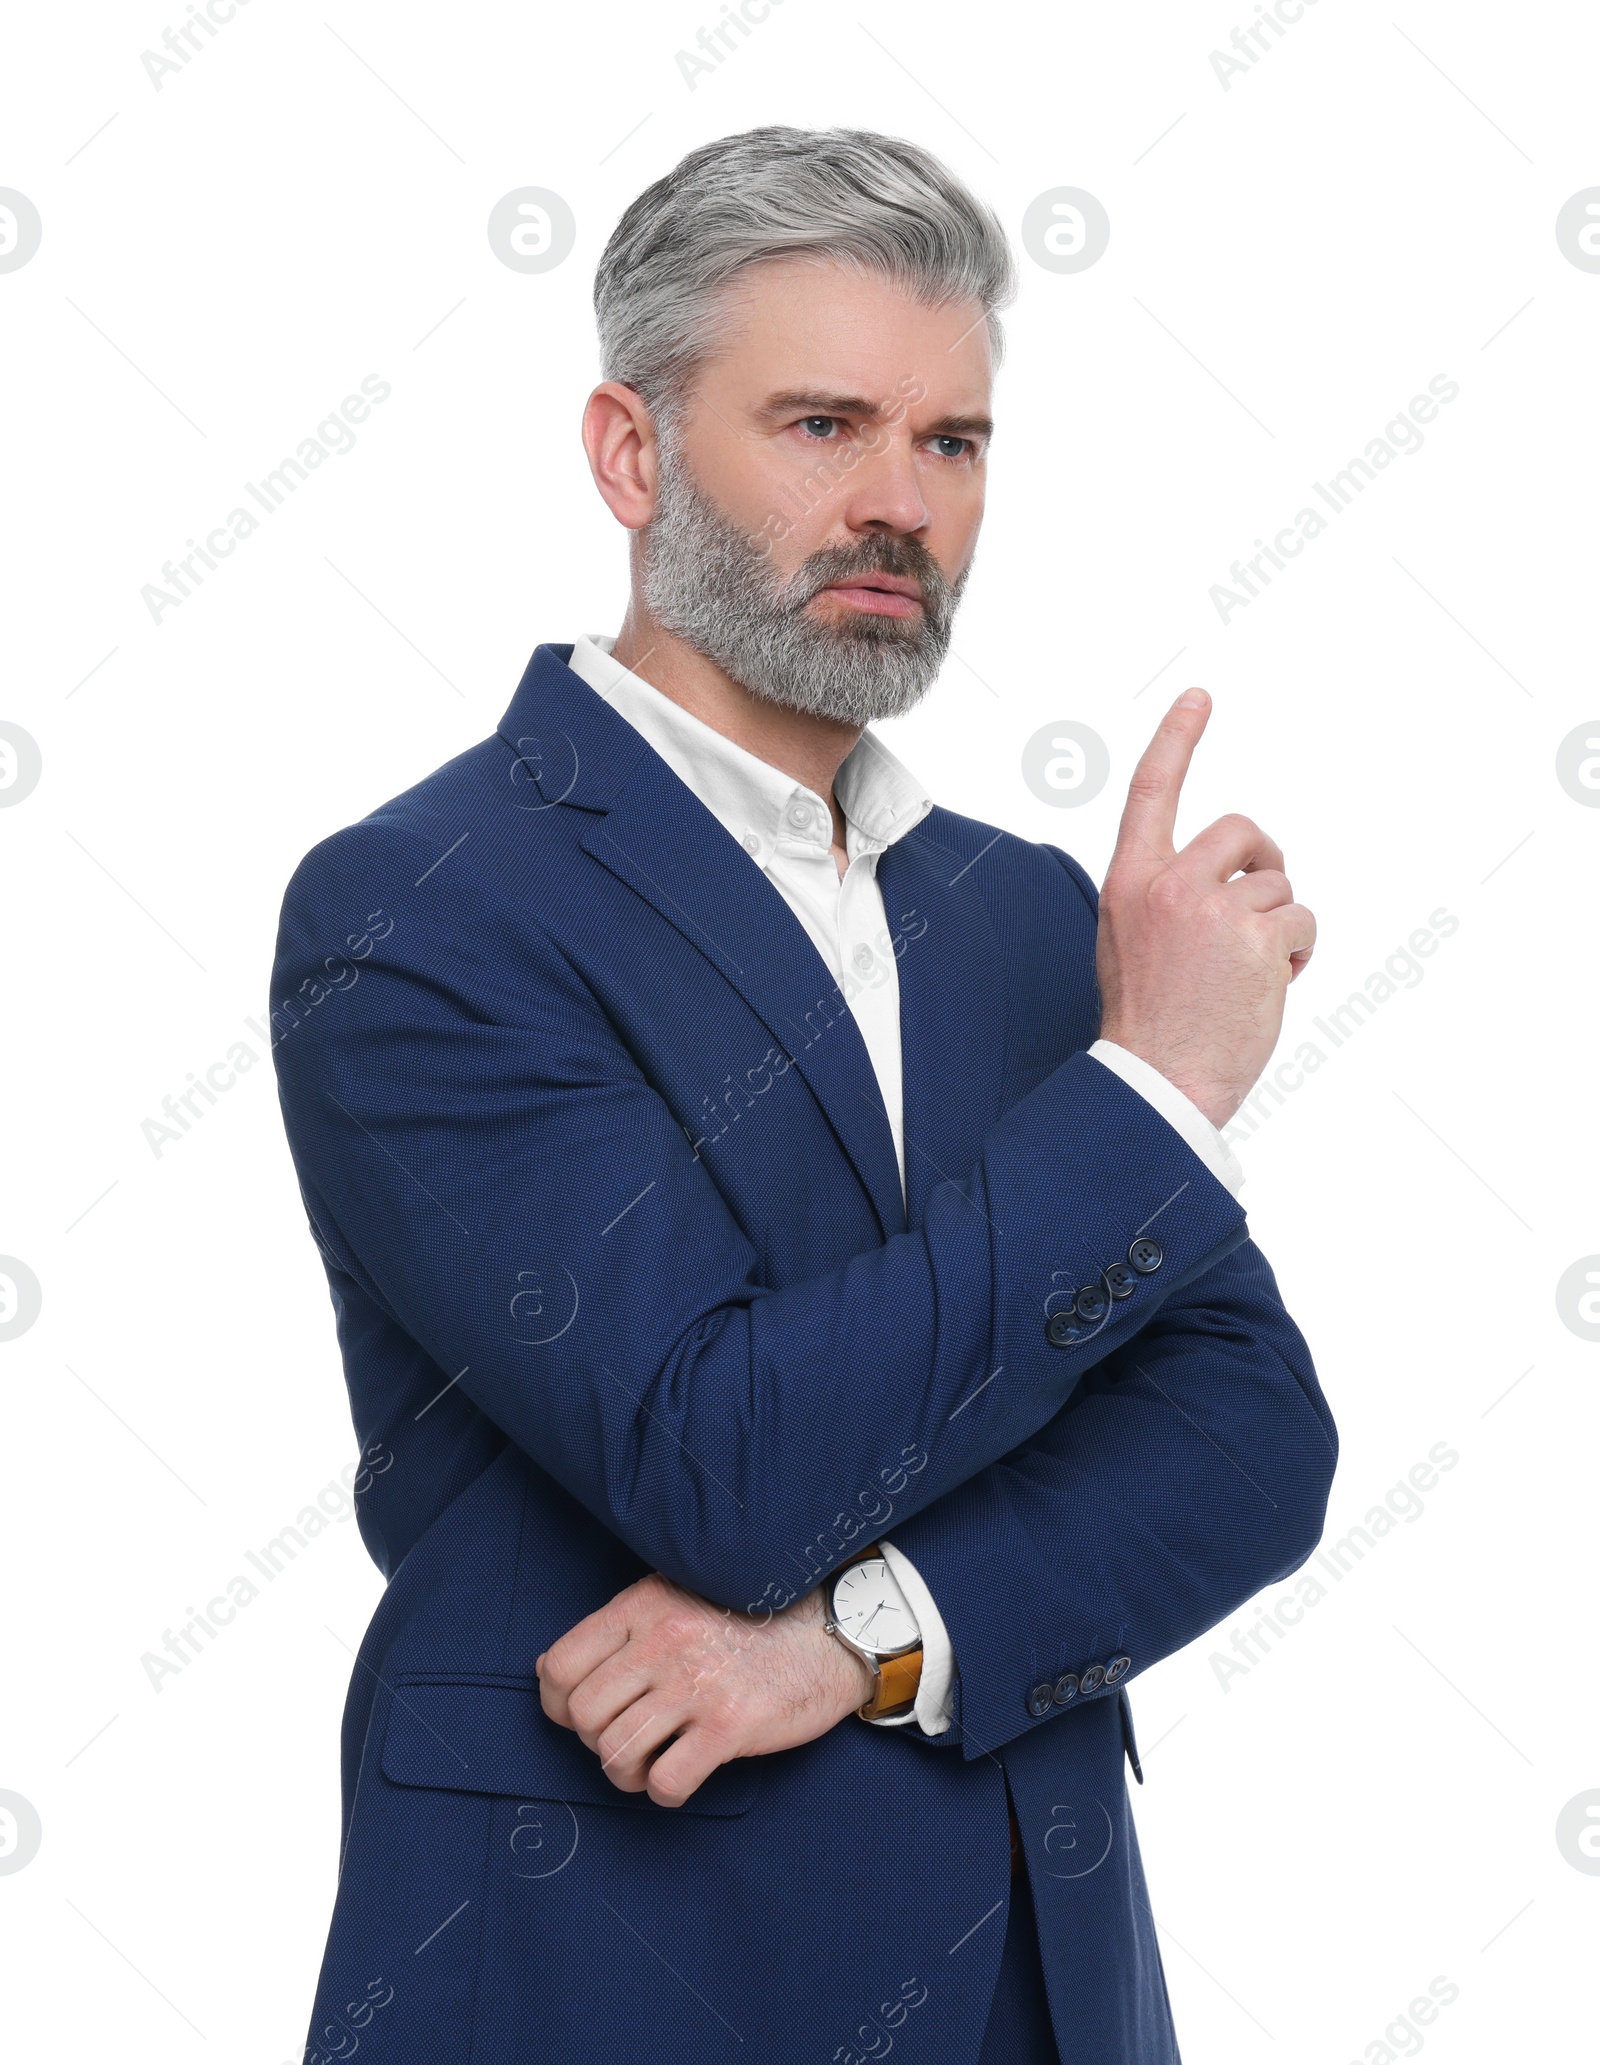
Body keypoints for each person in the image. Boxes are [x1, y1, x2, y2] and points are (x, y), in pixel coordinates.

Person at [270, 125, 1336, 2065]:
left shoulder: (1017, 915)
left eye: (951, 443)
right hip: (621, 1978)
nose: (899, 506)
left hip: (1047, 1990)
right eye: (822, 424)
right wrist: (1155, 1083)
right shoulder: (420, 915)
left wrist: (855, 1644)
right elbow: (728, 1460)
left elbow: (1251, 1443)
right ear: (628, 453)